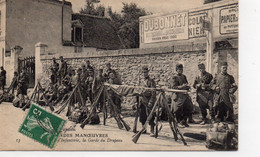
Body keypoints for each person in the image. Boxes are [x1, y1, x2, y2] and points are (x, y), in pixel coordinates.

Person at [135, 66, 156, 136]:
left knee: (151, 116)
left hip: (149, 100)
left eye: (146, 72)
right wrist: (136, 101)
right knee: (142, 116)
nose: (145, 74)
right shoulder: (140, 81)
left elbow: (153, 93)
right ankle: (143, 129)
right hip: (142, 100)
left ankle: (152, 130)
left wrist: (151, 101)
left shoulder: (151, 81)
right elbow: (137, 91)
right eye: (143, 72)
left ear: (148, 72)